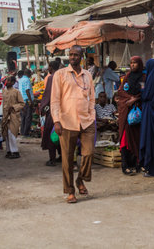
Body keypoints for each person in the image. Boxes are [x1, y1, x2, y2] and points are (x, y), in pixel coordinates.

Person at [51, 45, 95, 204]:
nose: (73, 57)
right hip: (67, 121)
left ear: (81, 57)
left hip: (86, 121)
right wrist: (56, 120)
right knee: (67, 159)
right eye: (71, 54)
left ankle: (80, 179)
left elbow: (92, 98)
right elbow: (55, 100)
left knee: (89, 153)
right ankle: (70, 191)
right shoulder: (60, 74)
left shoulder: (87, 75)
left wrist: (92, 115)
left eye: (76, 55)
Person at [117, 56, 145, 175]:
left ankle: (137, 163)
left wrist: (135, 99)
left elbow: (143, 91)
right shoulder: (127, 76)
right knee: (124, 138)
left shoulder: (143, 78)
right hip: (126, 112)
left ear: (140, 64)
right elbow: (121, 91)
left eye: (135, 63)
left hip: (137, 112)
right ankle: (125, 166)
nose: (132, 65)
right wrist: (130, 99)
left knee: (137, 138)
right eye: (131, 63)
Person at [40, 61, 61, 166]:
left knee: (50, 134)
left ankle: (52, 159)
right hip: (64, 111)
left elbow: (48, 94)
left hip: (53, 111)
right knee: (61, 135)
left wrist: (42, 107)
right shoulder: (63, 75)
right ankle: (62, 156)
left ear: (51, 67)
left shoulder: (51, 78)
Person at [2, 76, 25, 159]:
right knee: (6, 134)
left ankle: (15, 152)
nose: (6, 82)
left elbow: (22, 104)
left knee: (11, 133)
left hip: (13, 116)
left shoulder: (16, 92)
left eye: (8, 80)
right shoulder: (4, 92)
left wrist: (14, 107)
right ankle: (9, 151)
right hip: (5, 116)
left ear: (12, 82)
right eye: (6, 80)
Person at [19, 69, 34, 137]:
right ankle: (26, 133)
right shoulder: (27, 80)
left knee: (23, 117)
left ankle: (22, 131)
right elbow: (27, 90)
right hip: (27, 101)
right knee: (28, 117)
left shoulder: (21, 79)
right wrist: (31, 101)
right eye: (30, 74)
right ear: (29, 74)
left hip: (21, 100)